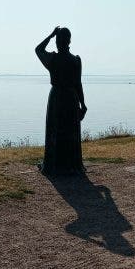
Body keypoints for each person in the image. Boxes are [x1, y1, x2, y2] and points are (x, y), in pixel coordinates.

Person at [35, 26, 87, 175]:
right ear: (69, 41)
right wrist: (82, 103)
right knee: (70, 131)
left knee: (56, 130)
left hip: (56, 98)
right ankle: (70, 164)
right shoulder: (76, 60)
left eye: (58, 39)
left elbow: (38, 50)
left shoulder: (53, 59)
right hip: (71, 98)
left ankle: (55, 163)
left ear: (58, 41)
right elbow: (78, 83)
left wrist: (50, 36)